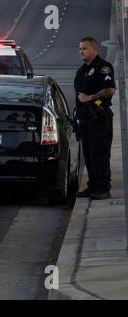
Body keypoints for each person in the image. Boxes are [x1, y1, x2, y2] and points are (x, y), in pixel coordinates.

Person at [74, 36, 116, 200]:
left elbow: (110, 89)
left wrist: (90, 98)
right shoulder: (83, 69)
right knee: (89, 154)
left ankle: (103, 188)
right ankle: (93, 186)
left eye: (84, 48)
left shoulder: (103, 67)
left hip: (100, 118)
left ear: (94, 49)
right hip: (85, 119)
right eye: (79, 49)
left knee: (100, 154)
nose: (81, 51)